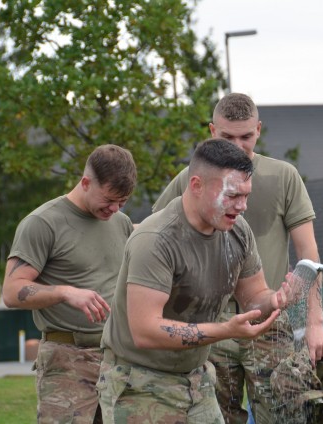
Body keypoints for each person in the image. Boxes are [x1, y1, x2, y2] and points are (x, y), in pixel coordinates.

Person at [152, 93, 323, 423]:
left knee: (284, 416)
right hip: (210, 325)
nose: (237, 145)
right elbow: (154, 238)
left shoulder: (282, 176)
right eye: (226, 137)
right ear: (211, 131)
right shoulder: (192, 181)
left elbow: (308, 255)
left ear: (259, 130)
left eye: (246, 136)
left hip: (269, 322)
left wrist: (314, 323)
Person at [97, 138, 296, 423]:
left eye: (246, 195)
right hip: (139, 381)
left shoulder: (237, 231)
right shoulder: (156, 239)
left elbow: (254, 295)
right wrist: (225, 329)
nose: (242, 206)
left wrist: (274, 300)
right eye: (232, 195)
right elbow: (144, 330)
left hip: (196, 378)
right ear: (196, 185)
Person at [2, 144, 137, 423]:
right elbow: (11, 291)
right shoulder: (43, 223)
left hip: (117, 358)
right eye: (109, 199)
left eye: (121, 203)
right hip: (67, 359)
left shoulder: (120, 222)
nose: (114, 208)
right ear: (86, 182)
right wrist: (64, 292)